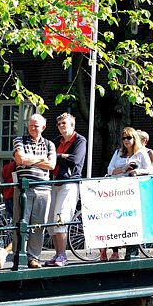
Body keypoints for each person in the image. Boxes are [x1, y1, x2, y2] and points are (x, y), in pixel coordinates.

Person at [12, 113, 57, 269]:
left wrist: (30, 160)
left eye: (36, 125)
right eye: (30, 125)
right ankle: (19, 255)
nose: (32, 128)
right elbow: (20, 159)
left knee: (38, 225)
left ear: (43, 127)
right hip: (25, 188)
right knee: (20, 222)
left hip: (43, 189)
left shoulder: (50, 144)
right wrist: (41, 160)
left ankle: (34, 258)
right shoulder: (19, 140)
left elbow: (51, 165)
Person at [43, 113, 87, 268]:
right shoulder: (55, 141)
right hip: (54, 182)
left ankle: (63, 255)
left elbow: (75, 159)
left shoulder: (80, 140)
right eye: (60, 123)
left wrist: (57, 155)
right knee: (51, 220)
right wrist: (62, 156)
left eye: (65, 123)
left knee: (61, 216)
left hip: (69, 183)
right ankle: (57, 253)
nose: (62, 126)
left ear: (72, 125)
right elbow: (48, 157)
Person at [106, 127, 153, 260]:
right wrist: (123, 169)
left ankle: (131, 251)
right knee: (115, 219)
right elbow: (110, 170)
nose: (126, 141)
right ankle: (115, 251)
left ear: (134, 138)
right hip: (117, 190)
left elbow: (150, 170)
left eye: (129, 138)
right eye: (124, 138)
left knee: (131, 220)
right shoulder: (118, 153)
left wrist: (136, 171)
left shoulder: (141, 153)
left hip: (133, 191)